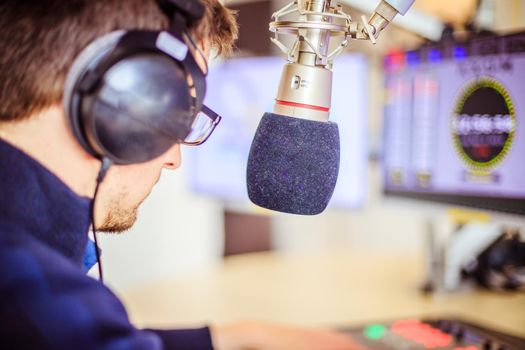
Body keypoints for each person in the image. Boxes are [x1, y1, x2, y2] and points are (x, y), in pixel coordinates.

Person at [0, 0, 363, 349]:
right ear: (111, 96)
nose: (174, 158)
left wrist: (237, 335)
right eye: (172, 110)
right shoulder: (30, 291)